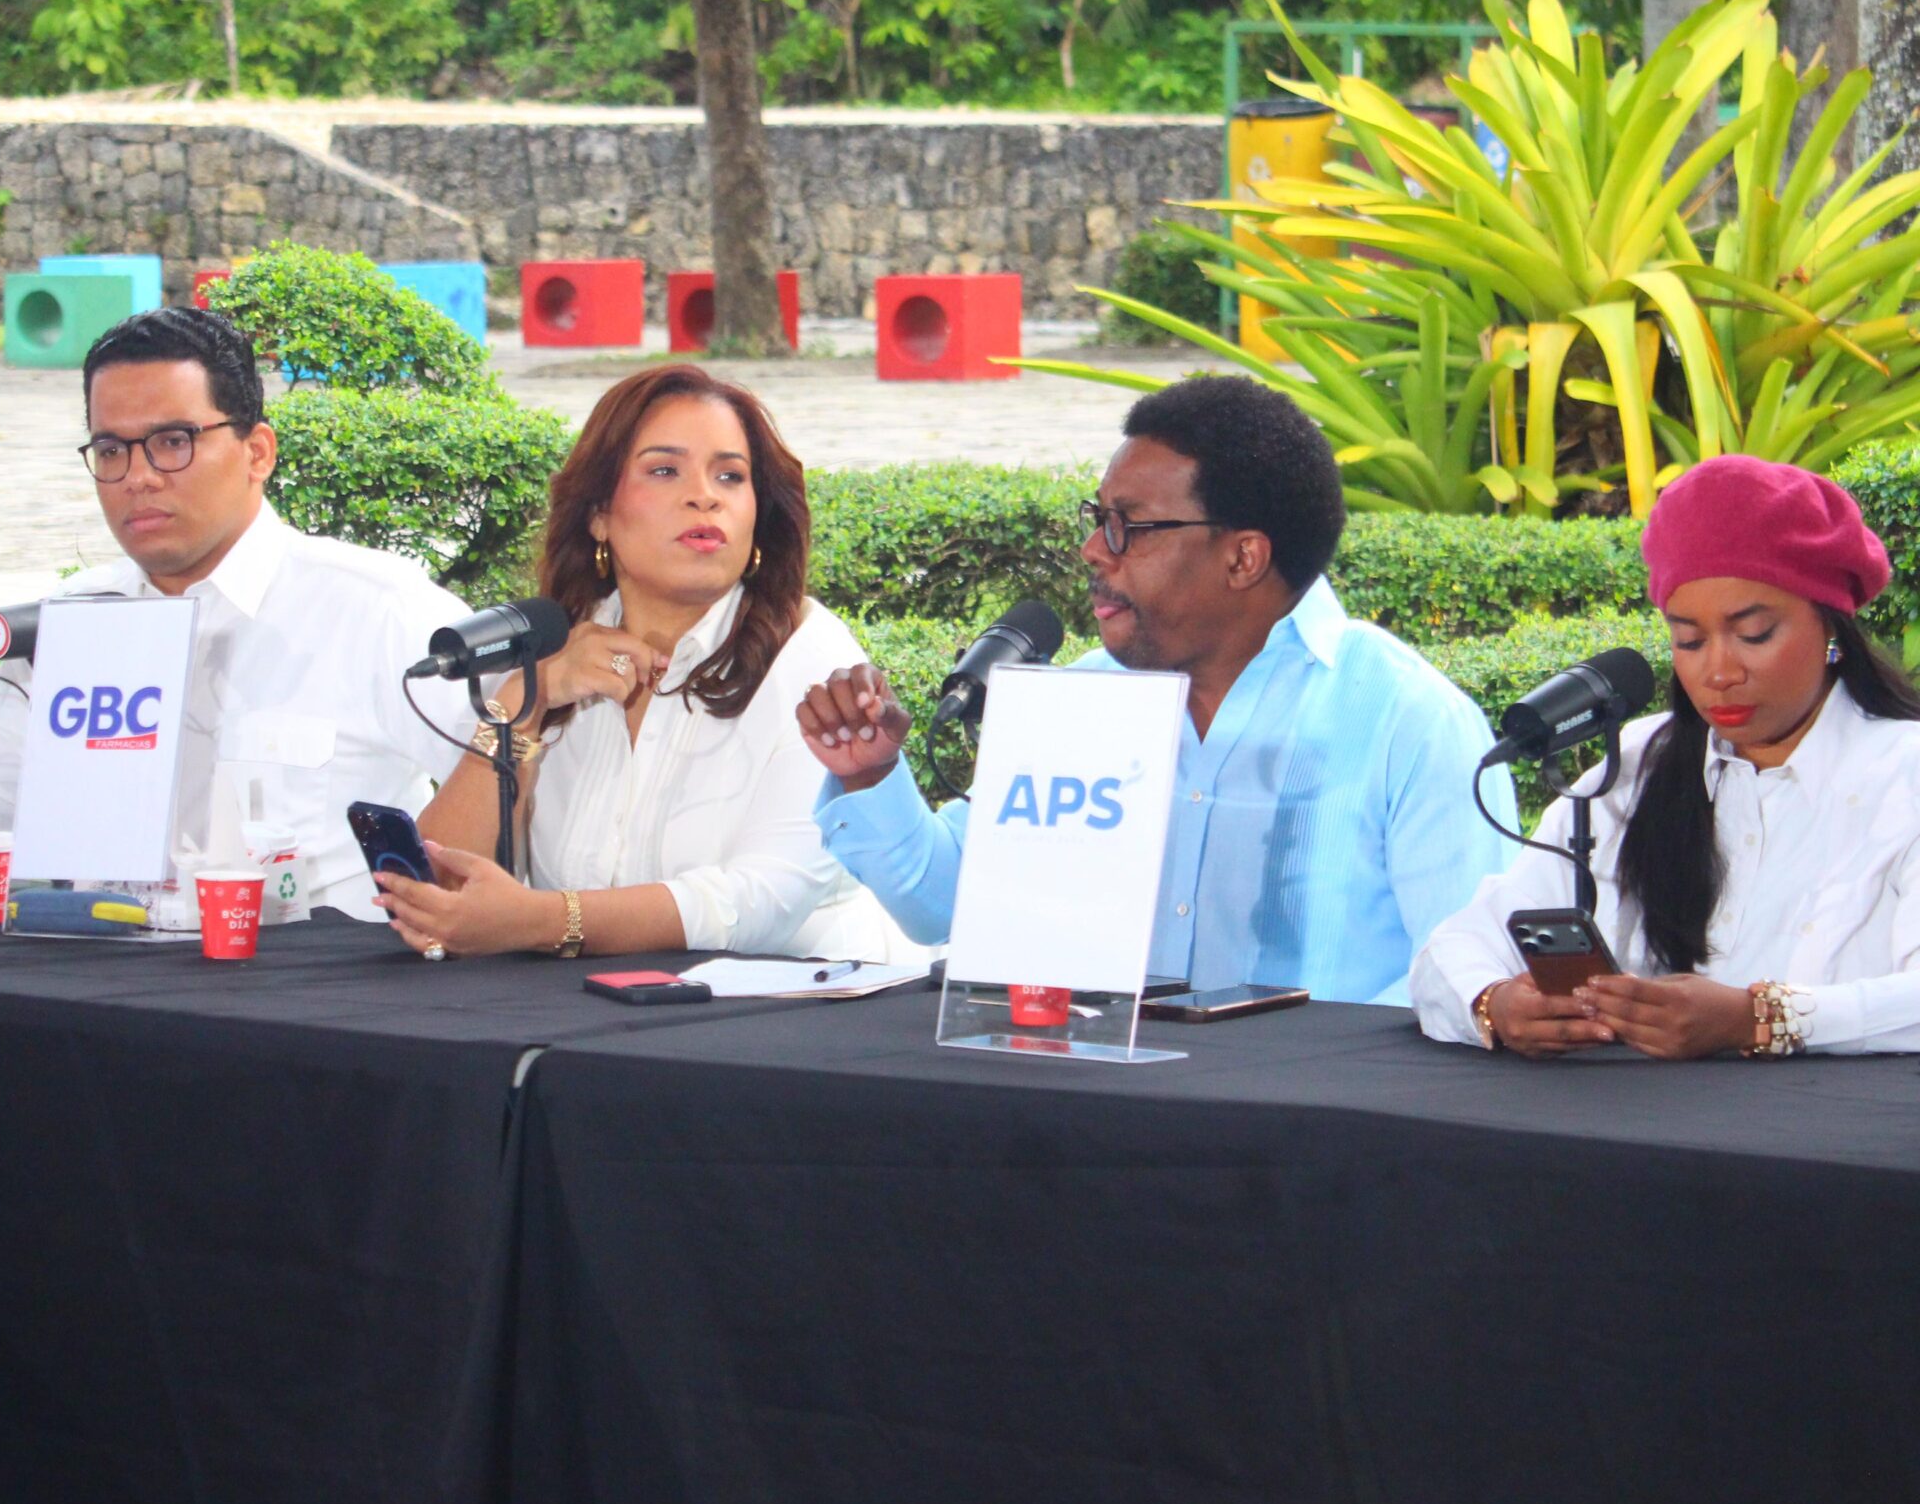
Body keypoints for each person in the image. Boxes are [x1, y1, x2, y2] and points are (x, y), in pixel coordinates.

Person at [0, 307, 473, 914]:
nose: (138, 476)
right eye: (110, 450)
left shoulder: (375, 610)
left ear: (257, 452)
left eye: (173, 441)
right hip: (96, 995)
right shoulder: (73, 621)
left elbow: (506, 790)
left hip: (307, 1006)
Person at [793, 374, 1513, 1004]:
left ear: (1243, 558)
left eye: (1127, 527)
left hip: (1317, 1109)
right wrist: (871, 774)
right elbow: (942, 901)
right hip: (1105, 1096)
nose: (1093, 551)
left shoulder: (1409, 723)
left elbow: (1467, 973)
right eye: (1096, 519)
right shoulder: (1082, 704)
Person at [377, 364, 893, 960]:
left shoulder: (814, 660)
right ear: (599, 512)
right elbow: (438, 897)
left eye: (730, 476)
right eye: (665, 470)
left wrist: (546, 920)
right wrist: (523, 702)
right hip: (583, 1005)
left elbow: (764, 902)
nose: (704, 495)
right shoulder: (556, 647)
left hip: (793, 1001)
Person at [1414, 458, 1920, 1057]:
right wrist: (1495, 1003)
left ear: (1831, 628)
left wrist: (1761, 1019)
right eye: (1689, 640)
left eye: (1754, 634)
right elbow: (1455, 948)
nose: (1719, 672)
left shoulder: (1903, 773)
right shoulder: (1636, 766)